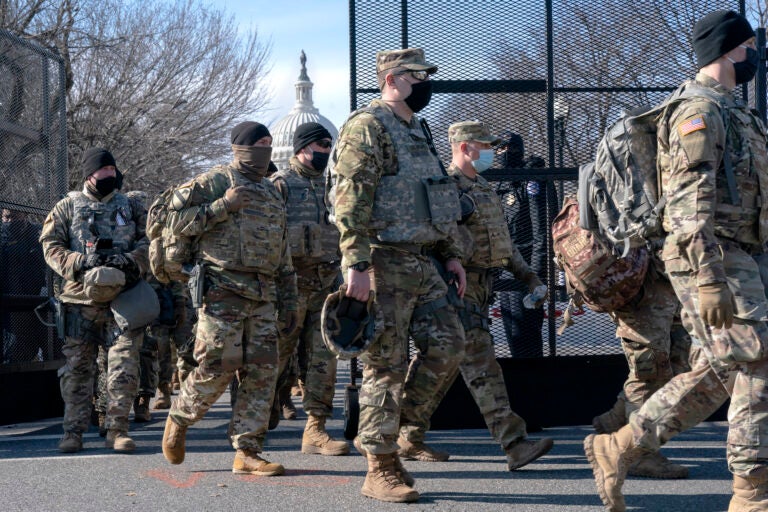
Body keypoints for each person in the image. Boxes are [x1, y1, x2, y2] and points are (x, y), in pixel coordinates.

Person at [584, 11, 768, 511]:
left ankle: (619, 446)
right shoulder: (698, 111)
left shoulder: (738, 113)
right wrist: (707, 278)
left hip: (742, 253)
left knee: (715, 372)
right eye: (752, 46)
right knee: (758, 362)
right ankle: (751, 492)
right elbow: (688, 206)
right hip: (711, 254)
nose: (756, 56)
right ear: (733, 49)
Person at [332, 47, 467, 503]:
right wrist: (357, 264)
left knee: (450, 346)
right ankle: (380, 466)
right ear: (392, 78)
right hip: (384, 260)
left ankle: (401, 429)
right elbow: (350, 199)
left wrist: (450, 254)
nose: (427, 83)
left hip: (423, 260)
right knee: (383, 366)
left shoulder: (418, 129)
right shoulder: (367, 126)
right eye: (418, 75)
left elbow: (436, 195)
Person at [398, 120, 554, 470]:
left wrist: (528, 276)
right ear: (465, 147)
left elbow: (504, 244)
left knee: (445, 365)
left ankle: (406, 433)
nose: (491, 152)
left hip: (484, 287)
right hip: (456, 289)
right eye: (485, 145)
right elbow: (435, 240)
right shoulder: (446, 188)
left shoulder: (483, 188)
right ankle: (514, 443)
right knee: (481, 364)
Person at [161, 121, 298, 477]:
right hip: (223, 289)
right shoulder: (215, 182)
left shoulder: (272, 192)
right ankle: (179, 417)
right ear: (240, 147)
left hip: (264, 294)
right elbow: (172, 221)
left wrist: (290, 299)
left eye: (270, 143)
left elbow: (282, 251)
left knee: (262, 373)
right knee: (218, 366)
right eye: (259, 143)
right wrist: (222, 207)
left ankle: (248, 451)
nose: (265, 149)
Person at [40, 147, 148, 454]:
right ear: (90, 174)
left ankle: (117, 429)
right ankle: (73, 431)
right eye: (105, 171)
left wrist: (129, 260)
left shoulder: (130, 206)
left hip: (124, 299)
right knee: (78, 369)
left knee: (124, 366)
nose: (111, 175)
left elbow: (150, 242)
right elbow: (50, 245)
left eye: (113, 171)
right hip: (80, 300)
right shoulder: (67, 207)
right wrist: (78, 262)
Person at [269, 122, 348, 455]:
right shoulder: (280, 186)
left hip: (326, 285)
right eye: (319, 146)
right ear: (301, 149)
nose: (325, 153)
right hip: (289, 287)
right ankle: (257, 418)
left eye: (329, 146)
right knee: (274, 358)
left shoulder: (335, 188)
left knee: (322, 359)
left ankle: (315, 429)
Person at [494, 133, 555, 358]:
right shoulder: (501, 184)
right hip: (505, 269)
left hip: (527, 269)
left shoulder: (530, 182)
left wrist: (536, 275)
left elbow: (541, 231)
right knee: (512, 333)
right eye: (497, 150)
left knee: (527, 335)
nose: (500, 155)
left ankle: (535, 386)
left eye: (504, 149)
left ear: (515, 150)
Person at [1, 208, 47, 363]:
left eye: (15, 216)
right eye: (7, 217)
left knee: (51, 344)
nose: (10, 221)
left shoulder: (37, 234)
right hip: (12, 304)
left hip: (39, 300)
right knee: (17, 349)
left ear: (25, 215)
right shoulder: (3, 237)